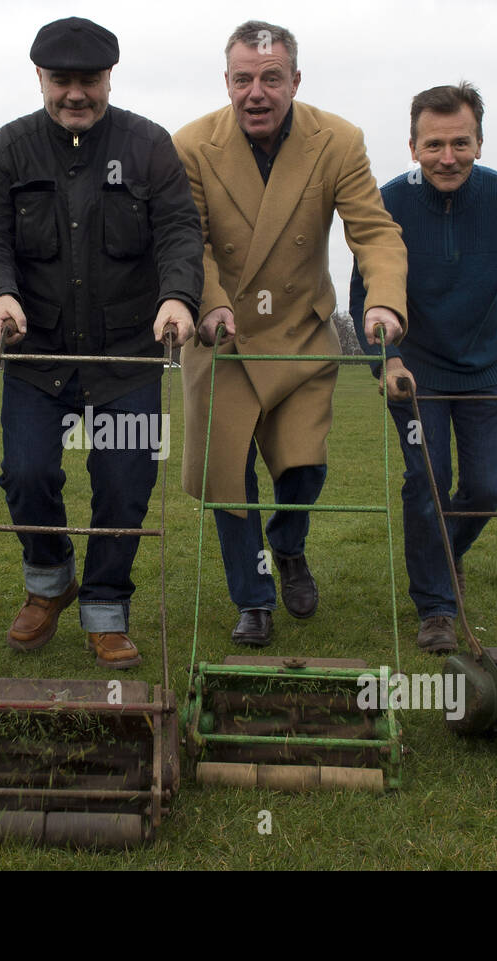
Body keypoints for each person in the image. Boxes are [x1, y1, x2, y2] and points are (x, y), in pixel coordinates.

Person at [0, 17, 203, 669]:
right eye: (61, 79)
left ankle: (105, 609)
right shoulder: (6, 150)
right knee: (27, 474)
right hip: (36, 354)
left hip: (126, 355)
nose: (76, 93)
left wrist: (178, 297)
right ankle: (49, 582)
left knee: (125, 481)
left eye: (89, 80)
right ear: (40, 77)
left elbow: (179, 230)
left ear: (109, 78)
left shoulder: (149, 146)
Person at [175, 20, 408, 646]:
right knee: (230, 478)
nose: (256, 92)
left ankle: (288, 542)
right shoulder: (191, 145)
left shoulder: (339, 140)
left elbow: (374, 232)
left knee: (304, 466)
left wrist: (384, 302)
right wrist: (210, 306)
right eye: (243, 79)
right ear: (227, 82)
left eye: (271, 78)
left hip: (300, 332)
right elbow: (189, 243)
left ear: (295, 81)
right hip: (221, 334)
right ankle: (252, 600)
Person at [350, 81, 497, 653]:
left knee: (488, 486)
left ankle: (445, 554)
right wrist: (386, 360)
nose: (447, 157)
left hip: (484, 369)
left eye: (460, 143)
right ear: (412, 147)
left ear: (479, 143)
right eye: (434, 144)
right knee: (428, 481)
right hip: (415, 374)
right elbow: (365, 292)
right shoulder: (389, 202)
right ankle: (436, 607)